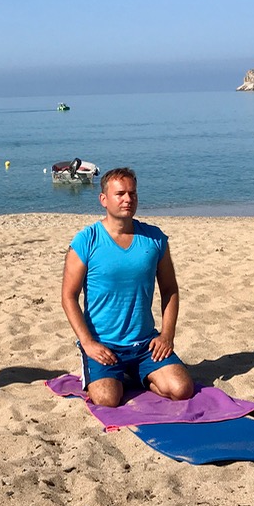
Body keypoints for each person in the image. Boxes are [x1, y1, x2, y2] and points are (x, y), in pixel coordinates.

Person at [61, 167, 195, 407]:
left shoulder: (155, 239)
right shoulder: (86, 240)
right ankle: (108, 370)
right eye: (120, 194)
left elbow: (170, 290)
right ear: (103, 199)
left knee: (182, 390)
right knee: (107, 399)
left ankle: (137, 373)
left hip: (144, 344)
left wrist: (167, 335)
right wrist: (89, 343)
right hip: (104, 345)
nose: (128, 199)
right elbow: (69, 296)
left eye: (132, 194)